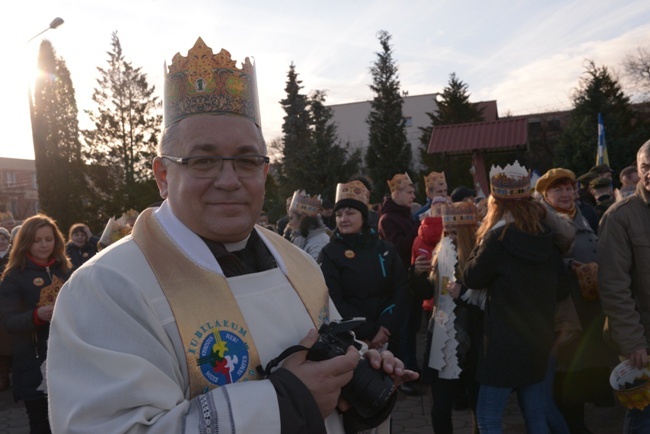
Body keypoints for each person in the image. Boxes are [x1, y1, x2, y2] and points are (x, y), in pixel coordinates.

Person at [46, 38, 417, 434]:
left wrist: (357, 381)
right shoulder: (108, 287)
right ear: (162, 176)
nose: (229, 181)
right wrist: (285, 403)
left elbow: (328, 376)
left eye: (246, 161)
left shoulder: (299, 264)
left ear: (265, 172)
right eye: (203, 161)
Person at [462, 161, 568, 434]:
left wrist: (479, 243)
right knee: (535, 414)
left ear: (495, 203)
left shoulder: (497, 239)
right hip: (538, 338)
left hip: (502, 343)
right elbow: (562, 289)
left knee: (488, 416)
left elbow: (471, 277)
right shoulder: (547, 237)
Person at [536, 168, 618, 433]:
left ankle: (583, 417)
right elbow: (541, 260)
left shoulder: (584, 215)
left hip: (590, 304)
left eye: (569, 188)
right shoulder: (543, 221)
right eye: (558, 189)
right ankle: (573, 423)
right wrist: (570, 264)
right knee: (569, 367)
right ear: (545, 195)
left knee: (587, 365)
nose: (565, 194)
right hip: (566, 310)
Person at [0, 214, 72, 434]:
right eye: (37, 240)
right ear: (25, 242)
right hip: (33, 361)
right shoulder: (14, 276)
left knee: (70, 422)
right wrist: (37, 315)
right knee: (41, 425)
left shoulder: (66, 269)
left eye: (48, 239)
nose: (43, 245)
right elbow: (9, 321)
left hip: (69, 358)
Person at [598, 140, 650, 434]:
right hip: (644, 343)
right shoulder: (620, 217)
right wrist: (633, 342)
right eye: (645, 167)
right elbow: (614, 287)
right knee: (644, 419)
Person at [319, 180, 408, 352]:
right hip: (350, 341)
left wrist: (385, 327)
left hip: (388, 335)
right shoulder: (330, 254)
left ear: (363, 216)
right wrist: (370, 330)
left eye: (350, 213)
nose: (343, 219)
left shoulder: (385, 249)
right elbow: (333, 300)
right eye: (339, 215)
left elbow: (401, 288)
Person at [422, 201, 482, 434]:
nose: (450, 238)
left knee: (477, 405)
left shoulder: (479, 262)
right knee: (440, 408)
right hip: (443, 340)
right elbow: (428, 295)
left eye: (456, 233)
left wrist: (463, 295)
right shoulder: (441, 256)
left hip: (474, 341)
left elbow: (490, 305)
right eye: (447, 233)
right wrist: (418, 276)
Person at [378, 173, 421, 393]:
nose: (413, 195)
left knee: (411, 328)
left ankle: (413, 369)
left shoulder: (406, 215)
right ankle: (405, 376)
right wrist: (420, 227)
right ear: (395, 193)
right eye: (409, 191)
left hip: (412, 279)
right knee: (403, 329)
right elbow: (401, 248)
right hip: (399, 283)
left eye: (413, 191)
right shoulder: (388, 219)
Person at [288, 190, 331, 261]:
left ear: (302, 217)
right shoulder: (301, 238)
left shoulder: (320, 242)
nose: (289, 223)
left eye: (291, 218)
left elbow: (315, 270)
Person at [0, 227, 12, 391]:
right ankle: (3, 377)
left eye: (3, 239)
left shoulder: (14, 256)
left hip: (11, 302)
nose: (1, 242)